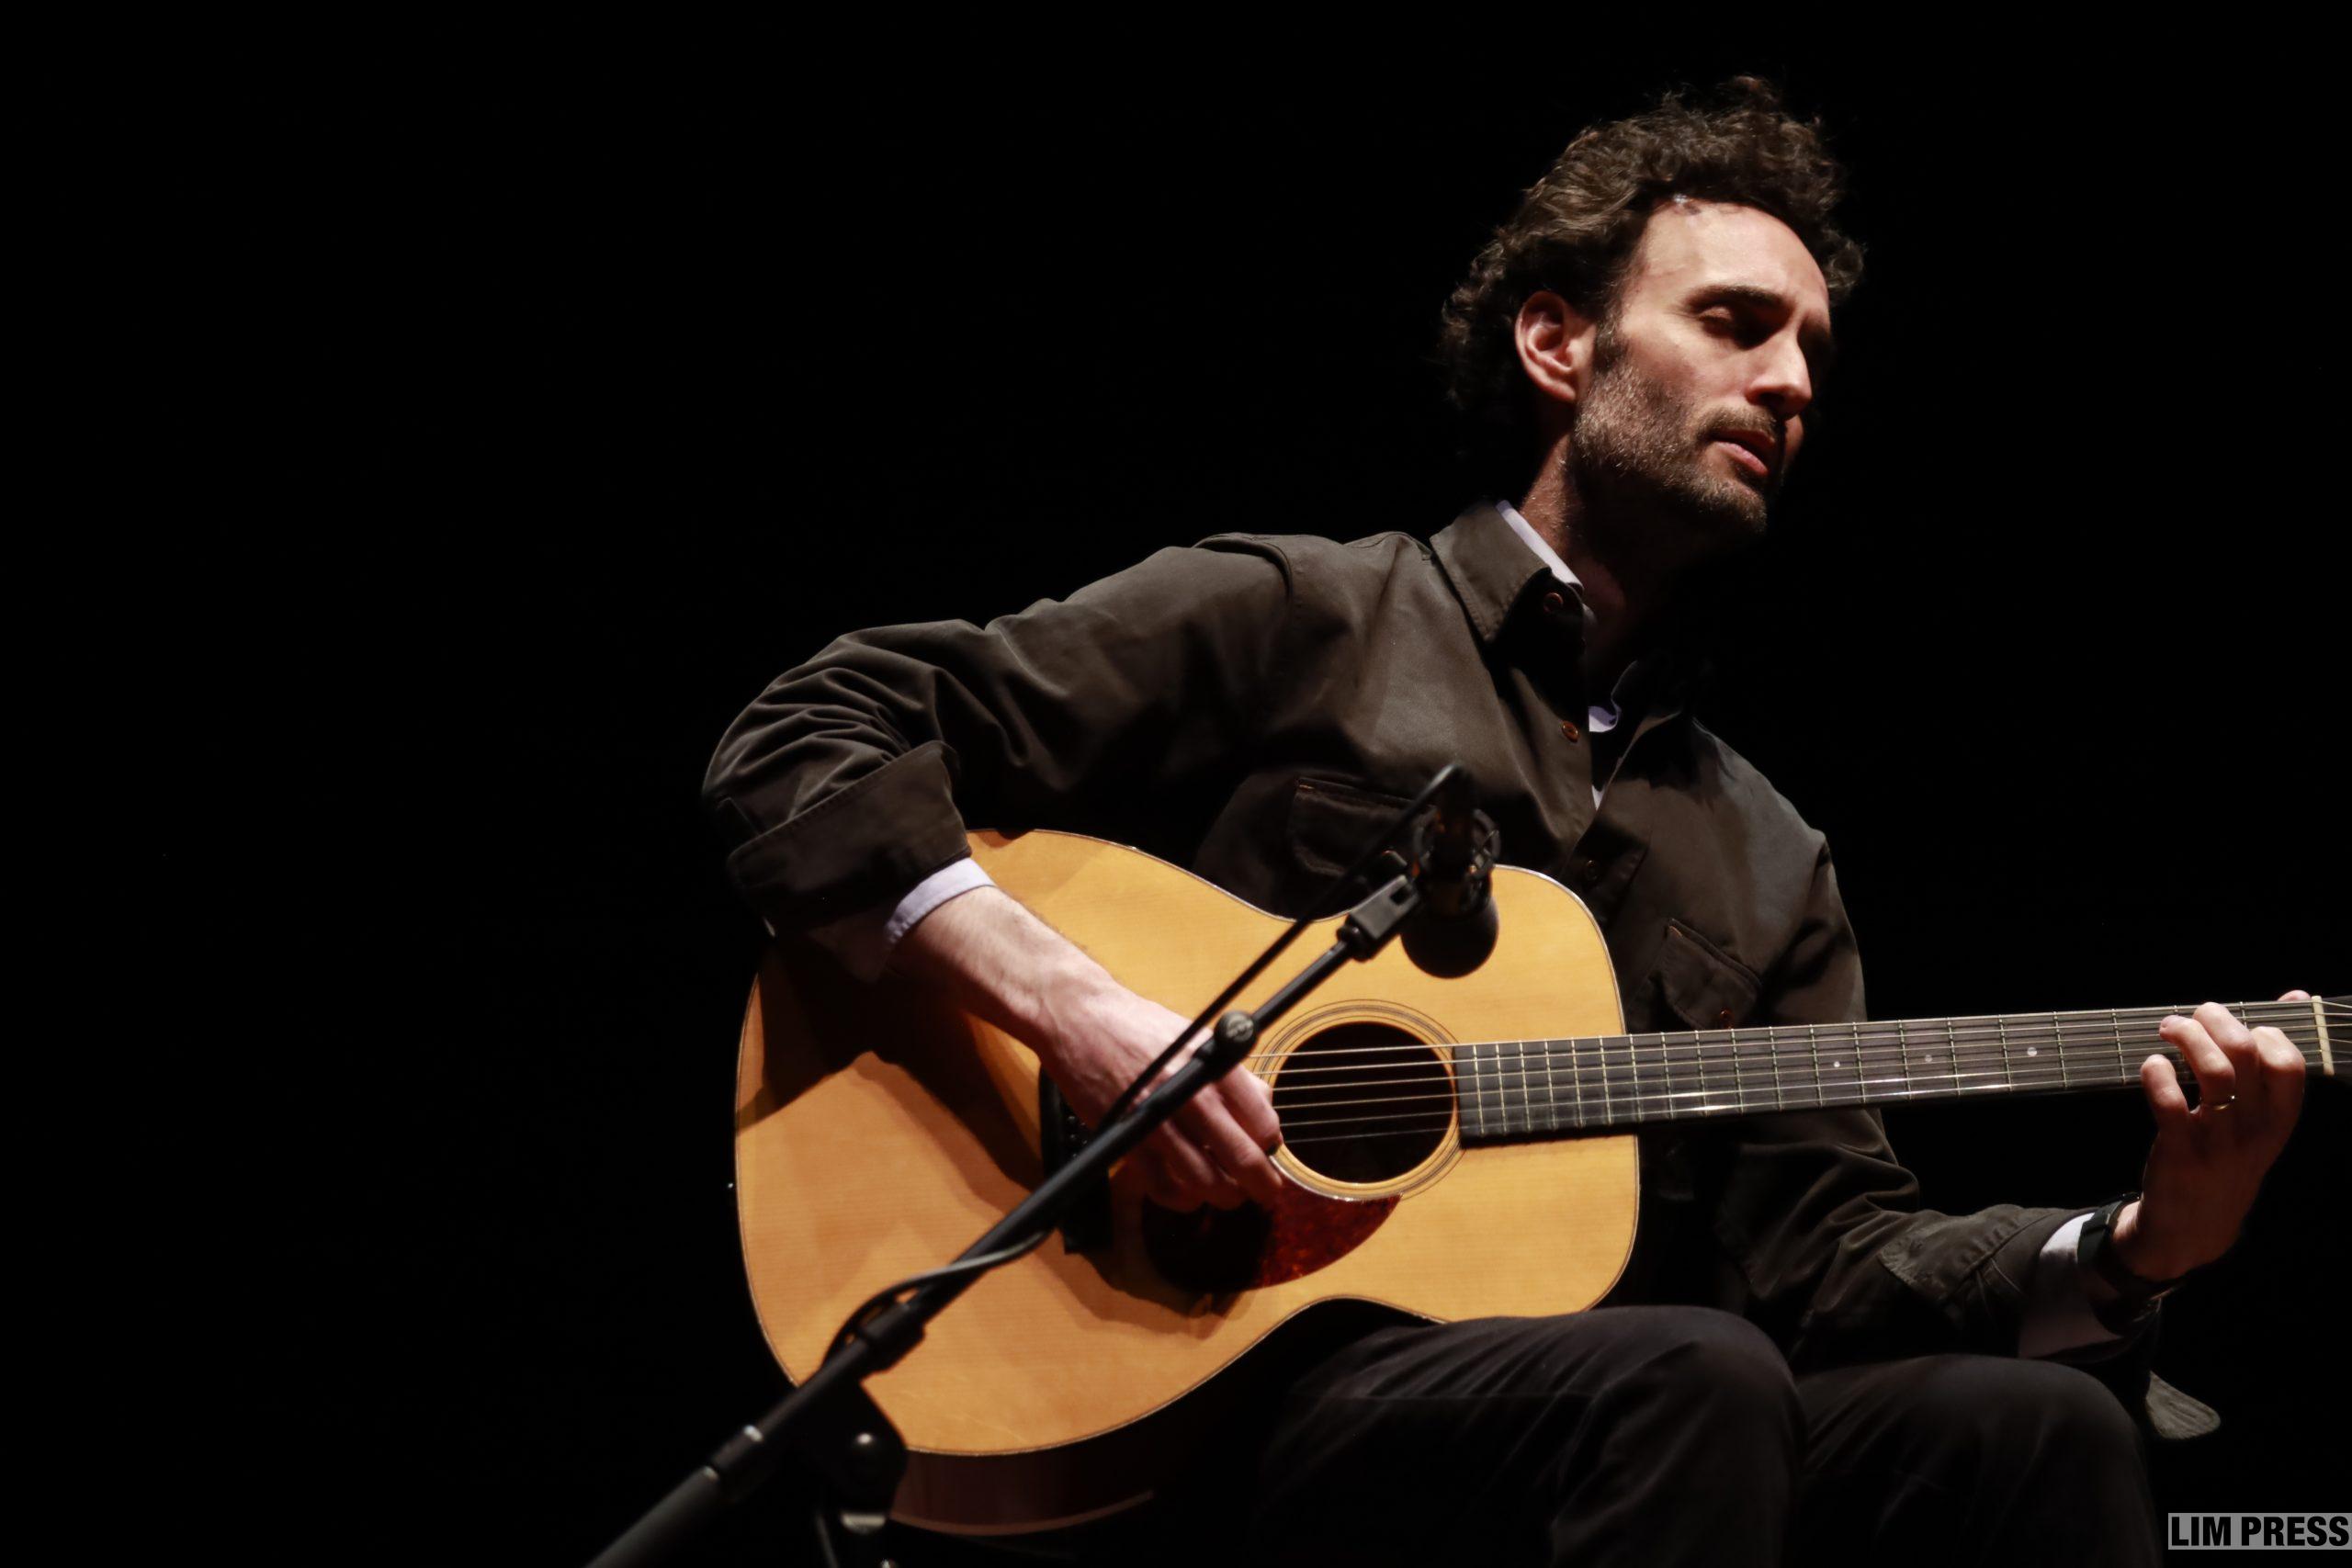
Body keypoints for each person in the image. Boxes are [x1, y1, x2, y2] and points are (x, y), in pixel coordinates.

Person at [700, 80, 2309, 1567]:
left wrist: (2137, 1245)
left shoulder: (1767, 855)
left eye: (1814, 350)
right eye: (1737, 324)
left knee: (2031, 1426)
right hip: (1208, 1368)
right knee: (1695, 1378)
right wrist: (1078, 1013)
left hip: (1589, 1418)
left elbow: (1828, 1253)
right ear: (1558, 344)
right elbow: (807, 733)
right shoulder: (1307, 618)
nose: (1794, 383)